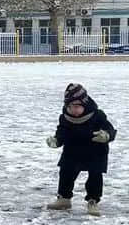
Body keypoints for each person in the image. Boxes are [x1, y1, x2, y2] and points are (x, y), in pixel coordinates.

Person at [45, 84, 117, 216]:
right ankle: (64, 198)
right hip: (72, 151)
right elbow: (61, 132)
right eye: (70, 106)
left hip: (95, 152)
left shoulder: (97, 115)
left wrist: (106, 135)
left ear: (85, 103)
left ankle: (92, 201)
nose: (73, 110)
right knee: (66, 173)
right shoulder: (65, 117)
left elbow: (110, 129)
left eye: (77, 106)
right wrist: (56, 141)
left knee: (94, 177)